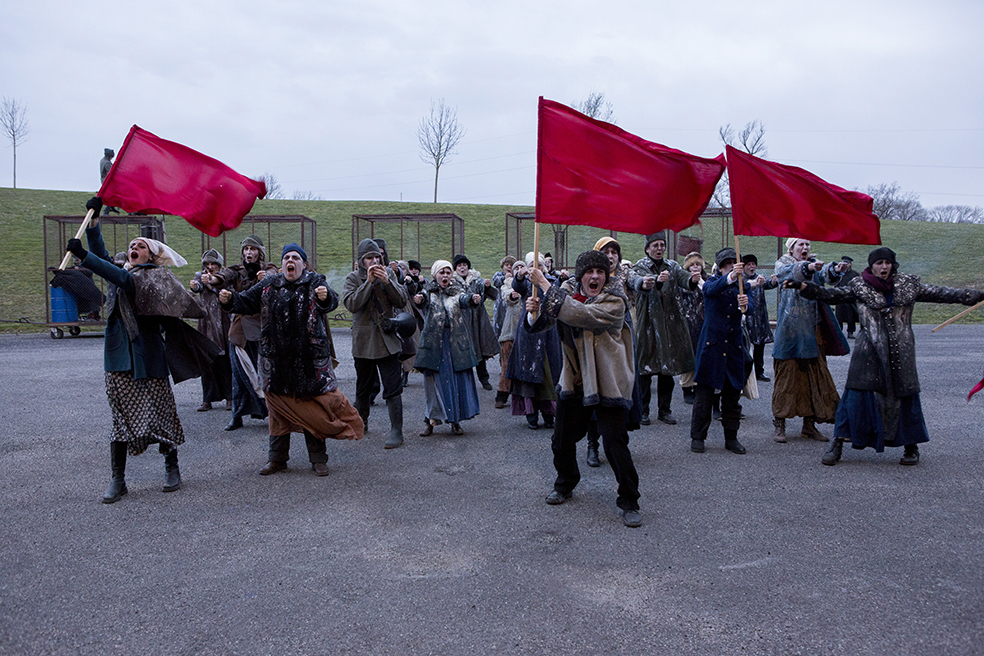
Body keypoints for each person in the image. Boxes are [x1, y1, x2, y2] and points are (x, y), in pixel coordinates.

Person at [68, 198, 209, 503]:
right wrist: (94, 223)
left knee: (162, 412)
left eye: (141, 245)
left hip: (149, 354)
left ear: (153, 254)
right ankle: (118, 480)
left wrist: (85, 258)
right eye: (132, 245)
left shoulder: (155, 277)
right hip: (117, 355)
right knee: (120, 418)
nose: (134, 248)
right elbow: (107, 261)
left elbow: (120, 278)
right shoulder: (123, 272)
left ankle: (172, 468)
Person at [790, 247, 984, 466]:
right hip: (868, 352)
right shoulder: (858, 286)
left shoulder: (908, 285)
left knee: (906, 396)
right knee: (855, 398)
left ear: (893, 265)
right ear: (871, 265)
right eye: (879, 263)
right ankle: (838, 443)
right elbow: (830, 295)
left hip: (902, 351)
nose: (884, 267)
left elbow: (942, 293)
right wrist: (803, 286)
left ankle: (911, 446)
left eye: (887, 263)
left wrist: (975, 295)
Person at [220, 244, 363, 476]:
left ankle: (318, 459)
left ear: (303, 264)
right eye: (286, 257)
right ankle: (276, 459)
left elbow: (332, 302)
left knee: (311, 409)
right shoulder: (268, 284)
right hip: (276, 362)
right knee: (277, 412)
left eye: (296, 257)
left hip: (308, 362)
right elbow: (244, 302)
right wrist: (229, 300)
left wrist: (325, 298)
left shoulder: (315, 281)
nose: (290, 261)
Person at [526, 250, 642, 528]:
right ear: (581, 276)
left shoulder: (615, 301)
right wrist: (534, 312)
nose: (595, 276)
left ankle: (629, 500)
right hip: (575, 380)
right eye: (589, 272)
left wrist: (544, 285)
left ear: (606, 276)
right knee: (561, 439)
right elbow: (545, 322)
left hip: (607, 380)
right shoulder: (565, 293)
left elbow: (580, 314)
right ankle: (565, 482)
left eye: (600, 272)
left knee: (615, 444)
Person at [771, 238, 850, 443]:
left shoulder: (813, 264)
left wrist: (836, 269)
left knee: (815, 378)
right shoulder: (783, 264)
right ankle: (780, 424)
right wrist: (808, 266)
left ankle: (809, 425)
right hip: (790, 331)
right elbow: (791, 274)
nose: (805, 248)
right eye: (800, 245)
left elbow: (825, 276)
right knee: (786, 377)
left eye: (807, 245)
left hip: (813, 331)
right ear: (791, 248)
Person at [342, 239, 409, 449]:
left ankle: (397, 430)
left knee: (393, 386)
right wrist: (368, 283)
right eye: (369, 258)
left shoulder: (388, 274)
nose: (374, 261)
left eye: (376, 257)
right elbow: (352, 304)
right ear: (361, 261)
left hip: (386, 339)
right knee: (363, 387)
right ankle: (361, 422)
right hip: (363, 341)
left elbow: (401, 301)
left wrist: (387, 282)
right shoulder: (353, 278)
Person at [689, 249, 751, 455]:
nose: (732, 266)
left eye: (735, 263)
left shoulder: (741, 287)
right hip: (712, 346)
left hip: (733, 347)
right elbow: (710, 291)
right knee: (704, 395)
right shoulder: (712, 283)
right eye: (728, 264)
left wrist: (746, 306)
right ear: (719, 267)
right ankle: (698, 437)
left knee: (732, 396)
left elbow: (745, 310)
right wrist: (731, 277)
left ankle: (731, 438)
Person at [633, 231, 697, 425]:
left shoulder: (673, 266)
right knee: (645, 368)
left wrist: (693, 279)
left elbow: (684, 278)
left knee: (666, 369)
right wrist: (655, 281)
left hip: (669, 325)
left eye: (662, 245)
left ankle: (665, 410)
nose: (659, 248)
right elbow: (640, 284)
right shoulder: (640, 266)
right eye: (655, 245)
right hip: (648, 324)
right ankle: (643, 411)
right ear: (648, 248)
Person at [412, 260, 482, 435]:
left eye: (448, 272)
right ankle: (430, 422)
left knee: (456, 383)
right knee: (433, 384)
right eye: (441, 272)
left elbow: (465, 300)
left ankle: (455, 422)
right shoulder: (428, 291)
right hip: (434, 345)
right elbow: (421, 300)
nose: (445, 275)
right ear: (435, 274)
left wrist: (473, 299)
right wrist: (419, 299)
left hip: (455, 345)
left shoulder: (458, 291)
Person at [217, 235, 278, 431]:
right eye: (246, 249)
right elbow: (223, 276)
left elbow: (274, 278)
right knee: (239, 376)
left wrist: (266, 278)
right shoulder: (237, 271)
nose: (248, 253)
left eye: (252, 249)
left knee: (264, 375)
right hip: (239, 333)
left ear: (260, 251)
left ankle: (273, 414)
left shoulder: (268, 269)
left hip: (261, 331)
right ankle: (237, 416)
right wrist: (213, 278)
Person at [506, 253, 562, 430]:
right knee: (528, 372)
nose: (535, 266)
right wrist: (520, 275)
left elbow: (558, 299)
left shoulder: (552, 281)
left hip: (548, 332)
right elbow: (517, 285)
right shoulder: (526, 283)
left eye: (538, 263)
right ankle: (531, 413)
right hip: (528, 333)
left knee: (549, 371)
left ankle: (548, 413)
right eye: (532, 264)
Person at [189, 249, 232, 412]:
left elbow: (226, 291)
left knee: (225, 364)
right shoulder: (199, 275)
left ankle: (230, 398)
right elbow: (197, 286)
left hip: (223, 324)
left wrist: (212, 283)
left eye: (213, 263)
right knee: (207, 364)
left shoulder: (224, 277)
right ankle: (207, 399)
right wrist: (196, 285)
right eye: (207, 263)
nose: (210, 266)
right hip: (206, 325)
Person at [452, 254, 500, 391]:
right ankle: (464, 383)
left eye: (464, 265)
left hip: (477, 320)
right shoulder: (452, 282)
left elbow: (494, 295)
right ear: (456, 268)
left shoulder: (477, 281)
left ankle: (484, 379)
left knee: (478, 349)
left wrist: (488, 286)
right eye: (459, 265)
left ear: (468, 267)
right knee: (463, 351)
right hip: (460, 320)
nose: (462, 268)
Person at [741, 254, 779, 382]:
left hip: (760, 317)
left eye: (753, 264)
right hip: (746, 317)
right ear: (744, 266)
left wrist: (773, 281)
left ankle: (759, 371)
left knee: (759, 345)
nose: (752, 267)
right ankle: (745, 372)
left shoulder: (759, 278)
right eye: (748, 264)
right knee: (745, 345)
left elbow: (768, 284)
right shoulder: (741, 280)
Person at [677, 251, 708, 405]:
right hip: (687, 323)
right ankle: (686, 388)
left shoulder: (707, 280)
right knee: (688, 356)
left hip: (703, 322)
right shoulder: (683, 281)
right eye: (692, 265)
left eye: (698, 264)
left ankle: (698, 386)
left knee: (701, 355)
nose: (695, 267)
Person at [494, 259, 525, 409]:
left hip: (527, 331)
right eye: (516, 267)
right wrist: (514, 294)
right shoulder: (507, 284)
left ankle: (524, 397)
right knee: (506, 365)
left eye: (521, 266)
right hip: (510, 331)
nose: (519, 269)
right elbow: (508, 297)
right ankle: (501, 395)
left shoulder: (530, 284)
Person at [834, 256, 860, 338]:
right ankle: (839, 332)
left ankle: (850, 332)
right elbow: (834, 283)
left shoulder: (854, 274)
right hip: (840, 297)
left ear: (850, 264)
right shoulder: (838, 274)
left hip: (850, 299)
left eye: (847, 263)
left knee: (850, 316)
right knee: (839, 316)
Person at [98, 149, 119, 215]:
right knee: (111, 195)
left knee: (112, 194)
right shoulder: (107, 163)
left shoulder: (102, 160)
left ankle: (112, 207)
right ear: (108, 156)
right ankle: (106, 211)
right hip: (107, 182)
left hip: (103, 180)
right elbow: (111, 172)